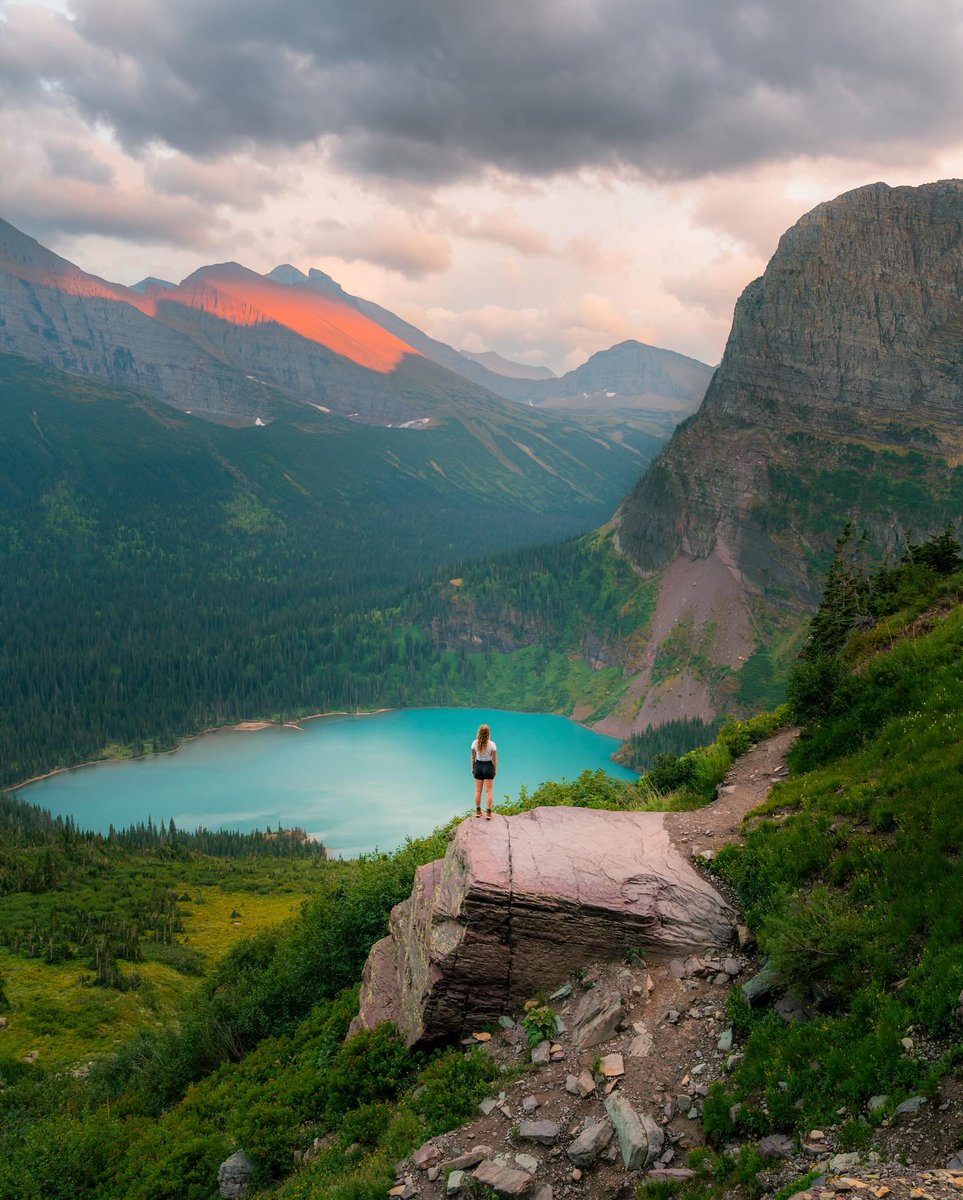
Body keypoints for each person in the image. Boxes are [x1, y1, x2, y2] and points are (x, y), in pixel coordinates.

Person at [470, 723, 498, 819]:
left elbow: (473, 757)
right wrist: (495, 769)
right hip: (488, 767)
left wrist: (473, 767)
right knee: (489, 791)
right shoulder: (492, 744)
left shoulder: (474, 743)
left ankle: (478, 812)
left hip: (478, 766)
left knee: (478, 790)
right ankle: (489, 813)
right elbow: (494, 759)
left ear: (479, 732)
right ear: (488, 733)